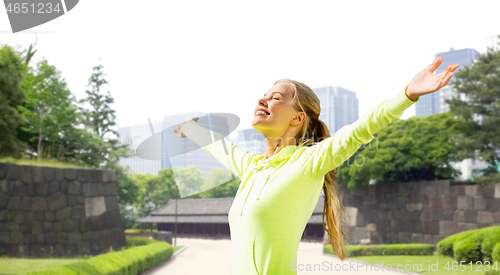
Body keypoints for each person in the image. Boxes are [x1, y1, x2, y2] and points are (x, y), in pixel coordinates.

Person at [173, 56, 459, 275]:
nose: (263, 99)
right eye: (264, 95)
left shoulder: (308, 162)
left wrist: (407, 94)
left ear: (297, 119)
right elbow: (221, 147)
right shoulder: (252, 167)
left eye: (276, 98)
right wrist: (191, 130)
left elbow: (360, 130)